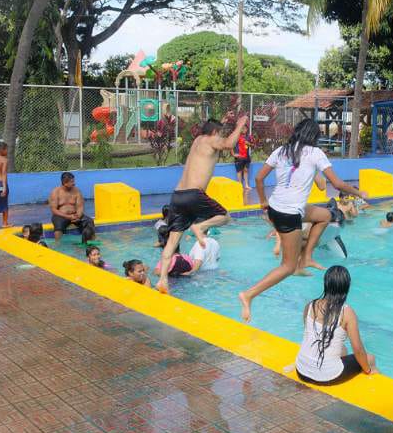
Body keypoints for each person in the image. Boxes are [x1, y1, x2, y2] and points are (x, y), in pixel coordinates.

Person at [238, 119, 367, 323]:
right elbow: (337, 183)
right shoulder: (315, 153)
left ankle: (305, 258)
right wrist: (359, 192)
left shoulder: (281, 150)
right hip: (289, 214)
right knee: (287, 266)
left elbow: (258, 179)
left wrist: (263, 201)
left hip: (275, 208)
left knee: (325, 216)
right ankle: (249, 294)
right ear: (314, 137)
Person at [157, 116, 248, 294]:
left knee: (172, 243)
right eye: (220, 132)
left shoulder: (198, 140)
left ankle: (162, 281)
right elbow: (229, 144)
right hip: (194, 194)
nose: (220, 136)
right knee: (225, 217)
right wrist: (239, 126)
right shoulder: (211, 139)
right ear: (215, 132)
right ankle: (199, 227)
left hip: (178, 196)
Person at [295, 266, 376, 384]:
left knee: (343, 349)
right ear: (346, 287)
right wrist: (368, 370)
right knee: (370, 359)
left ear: (326, 284)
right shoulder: (347, 312)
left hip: (301, 370)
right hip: (328, 376)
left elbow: (309, 334)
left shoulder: (310, 305)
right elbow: (358, 350)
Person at [49, 172, 96, 243]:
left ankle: (88, 242)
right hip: (61, 215)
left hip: (75, 215)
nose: (74, 183)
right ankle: (58, 245)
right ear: (65, 183)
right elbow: (54, 210)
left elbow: (80, 206)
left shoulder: (77, 191)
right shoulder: (56, 192)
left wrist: (78, 216)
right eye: (72, 182)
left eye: (73, 181)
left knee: (89, 221)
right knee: (58, 226)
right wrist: (68, 217)